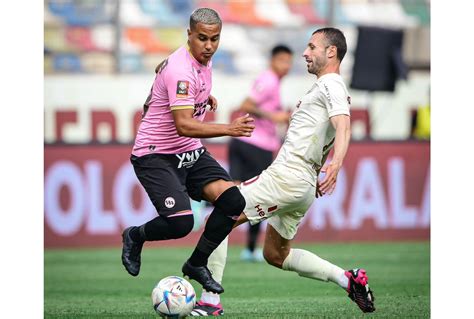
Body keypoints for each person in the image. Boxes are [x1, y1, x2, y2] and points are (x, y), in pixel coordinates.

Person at [190, 28, 375, 316]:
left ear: (331, 52)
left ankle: (210, 301)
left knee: (221, 212)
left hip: (290, 175)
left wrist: (336, 165)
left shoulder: (331, 85)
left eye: (312, 46)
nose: (305, 53)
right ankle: (347, 279)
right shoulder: (323, 87)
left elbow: (343, 125)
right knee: (275, 254)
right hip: (302, 183)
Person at [121, 8, 255, 295]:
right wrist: (229, 129)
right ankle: (135, 235)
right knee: (182, 223)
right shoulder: (180, 69)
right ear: (189, 35)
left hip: (188, 152)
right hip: (155, 153)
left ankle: (196, 263)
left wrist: (203, 98)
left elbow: (173, 87)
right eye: (202, 39)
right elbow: (183, 124)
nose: (209, 46)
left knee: (233, 201)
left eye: (215, 39)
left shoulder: (199, 61)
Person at [228, 44, 293, 262]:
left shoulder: (270, 81)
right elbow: (246, 104)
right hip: (256, 145)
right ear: (273, 61)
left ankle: (203, 203)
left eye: (289, 61)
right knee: (260, 196)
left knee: (236, 191)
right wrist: (273, 116)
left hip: (241, 141)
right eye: (283, 60)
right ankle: (250, 249)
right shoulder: (269, 80)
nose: (287, 65)